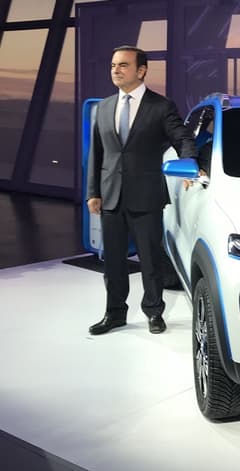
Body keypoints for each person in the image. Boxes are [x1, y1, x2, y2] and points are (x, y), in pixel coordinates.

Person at [86, 45, 197, 335]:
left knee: (150, 260)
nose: (116, 70)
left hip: (146, 195)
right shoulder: (105, 106)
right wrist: (93, 192)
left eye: (123, 65)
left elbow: (183, 138)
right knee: (113, 263)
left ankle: (154, 312)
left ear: (141, 70)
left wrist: (189, 164)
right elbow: (96, 153)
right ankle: (114, 314)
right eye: (113, 65)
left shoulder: (161, 106)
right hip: (111, 195)